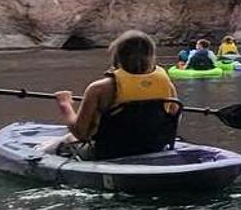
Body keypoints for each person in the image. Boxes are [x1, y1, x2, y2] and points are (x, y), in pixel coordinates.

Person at [46, 30, 180, 158]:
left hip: (108, 152)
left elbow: (81, 134)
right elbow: (173, 121)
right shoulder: (166, 84)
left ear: (118, 55)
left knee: (60, 143)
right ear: (151, 55)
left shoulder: (98, 89)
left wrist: (65, 105)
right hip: (153, 147)